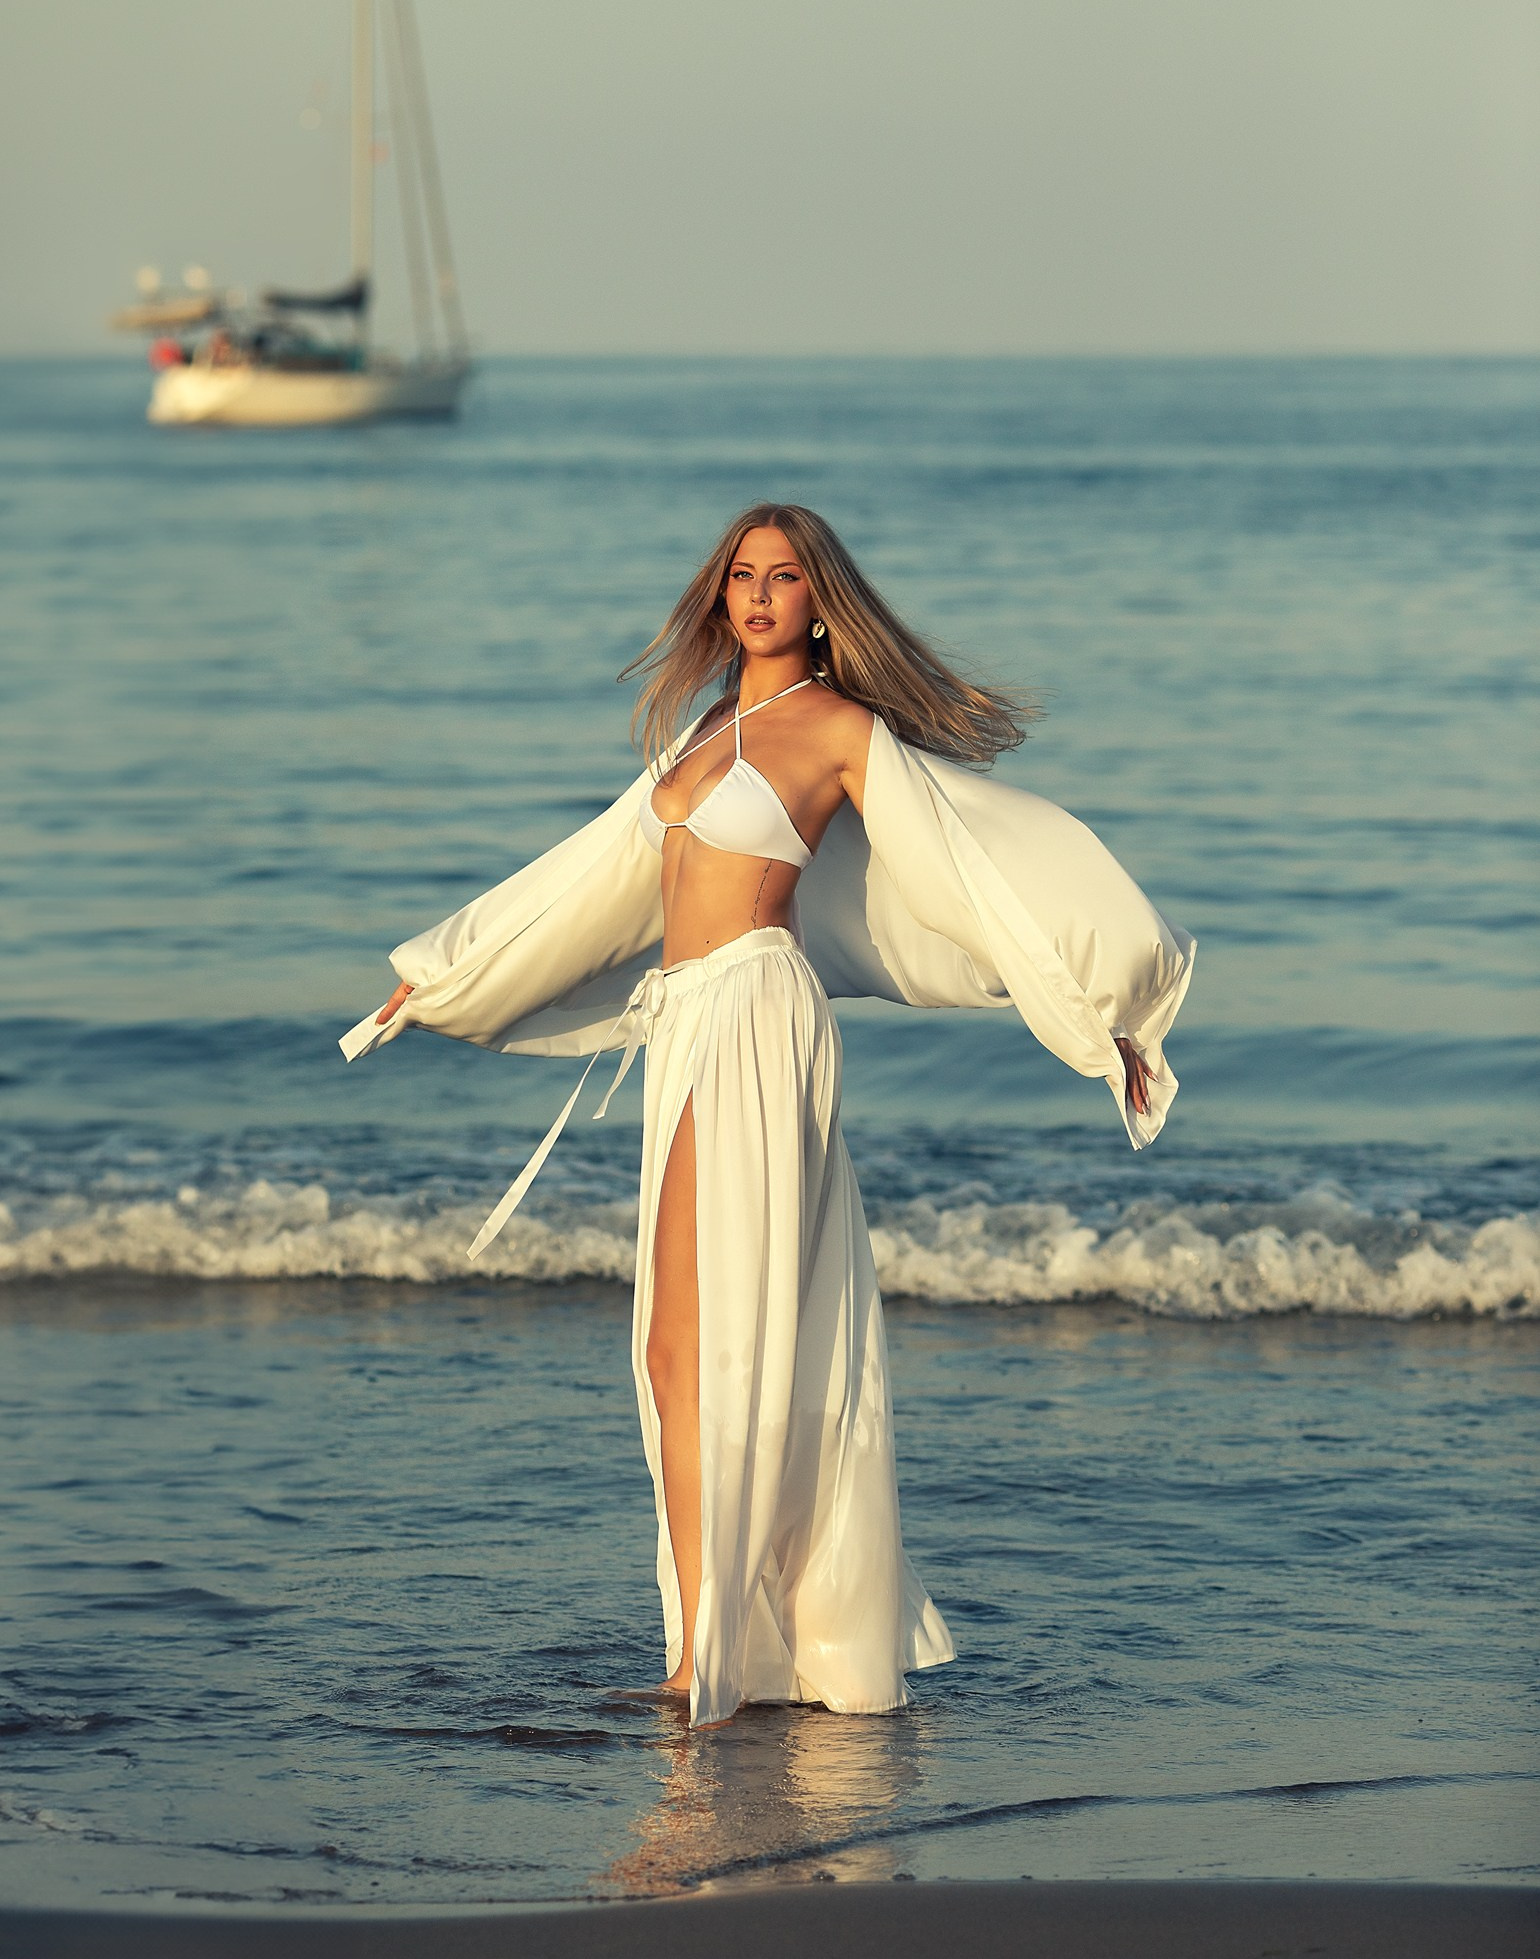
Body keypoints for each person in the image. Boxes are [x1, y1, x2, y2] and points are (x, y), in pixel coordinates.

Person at [341, 503, 1193, 1728]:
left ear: (820, 598)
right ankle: (708, 1641)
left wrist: (1096, 1018)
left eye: (783, 576)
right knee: (669, 1351)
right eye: (741, 575)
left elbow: (972, 874)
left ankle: (718, 1661)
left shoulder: (839, 732)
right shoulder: (703, 733)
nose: (757, 595)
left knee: (724, 1341)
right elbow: (587, 878)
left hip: (755, 1018)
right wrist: (444, 975)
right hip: (683, 1017)